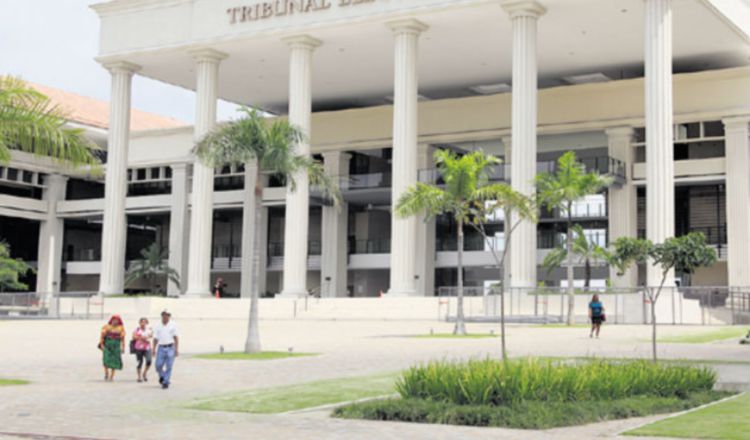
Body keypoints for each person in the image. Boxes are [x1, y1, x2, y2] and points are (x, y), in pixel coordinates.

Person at [153, 309, 179, 389]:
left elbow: (176, 337)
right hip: (161, 347)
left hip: (170, 347)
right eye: (164, 314)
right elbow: (155, 338)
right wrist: (153, 348)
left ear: (169, 316)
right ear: (162, 315)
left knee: (169, 366)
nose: (165, 316)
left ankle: (165, 382)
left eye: (167, 315)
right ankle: (163, 376)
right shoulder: (158, 325)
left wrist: (176, 349)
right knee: (158, 365)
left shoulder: (173, 324)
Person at [99, 315, 125, 382]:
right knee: (106, 359)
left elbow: (123, 339)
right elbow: (102, 336)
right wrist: (101, 344)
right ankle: (106, 372)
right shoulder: (106, 327)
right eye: (114, 320)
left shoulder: (121, 328)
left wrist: (123, 347)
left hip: (116, 345)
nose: (115, 322)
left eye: (116, 320)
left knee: (114, 361)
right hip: (107, 344)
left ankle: (112, 376)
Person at [132, 317, 153, 383]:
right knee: (139, 362)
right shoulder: (137, 329)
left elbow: (151, 336)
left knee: (149, 361)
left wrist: (147, 337)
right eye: (142, 322)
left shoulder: (149, 329)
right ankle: (139, 377)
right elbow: (133, 337)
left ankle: (144, 373)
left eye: (145, 322)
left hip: (147, 347)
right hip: (139, 347)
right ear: (139, 323)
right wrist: (141, 337)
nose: (143, 323)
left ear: (147, 323)